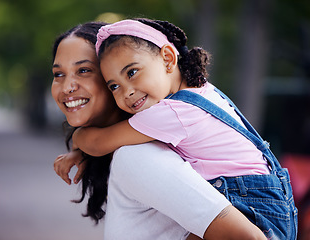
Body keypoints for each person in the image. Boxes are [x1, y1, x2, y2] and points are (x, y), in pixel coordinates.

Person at [71, 19, 298, 240]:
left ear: (168, 59)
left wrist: (78, 136)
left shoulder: (170, 113)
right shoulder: (204, 92)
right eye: (114, 86)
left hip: (250, 208)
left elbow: (99, 142)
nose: (126, 92)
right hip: (274, 204)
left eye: (132, 72)